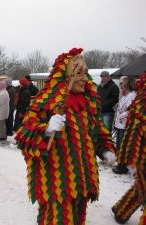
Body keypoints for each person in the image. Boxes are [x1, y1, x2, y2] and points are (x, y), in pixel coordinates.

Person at [15, 48, 117, 225]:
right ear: (65, 76)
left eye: (85, 73)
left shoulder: (88, 103)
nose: (85, 78)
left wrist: (106, 149)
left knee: (78, 219)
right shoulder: (44, 102)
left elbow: (98, 131)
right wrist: (46, 129)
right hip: (56, 181)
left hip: (82, 178)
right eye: (78, 73)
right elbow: (23, 135)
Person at [111, 72, 146, 225]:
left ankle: (121, 210)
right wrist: (128, 156)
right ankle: (121, 211)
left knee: (142, 186)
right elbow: (135, 126)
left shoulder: (136, 98)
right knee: (143, 186)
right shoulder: (141, 101)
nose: (122, 86)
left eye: (124, 84)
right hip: (142, 151)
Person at [112, 76, 136, 175]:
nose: (121, 85)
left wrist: (121, 115)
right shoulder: (125, 95)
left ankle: (123, 166)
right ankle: (120, 164)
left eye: (123, 83)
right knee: (119, 146)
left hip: (125, 125)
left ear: (128, 84)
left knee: (123, 146)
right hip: (120, 124)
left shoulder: (133, 95)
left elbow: (131, 110)